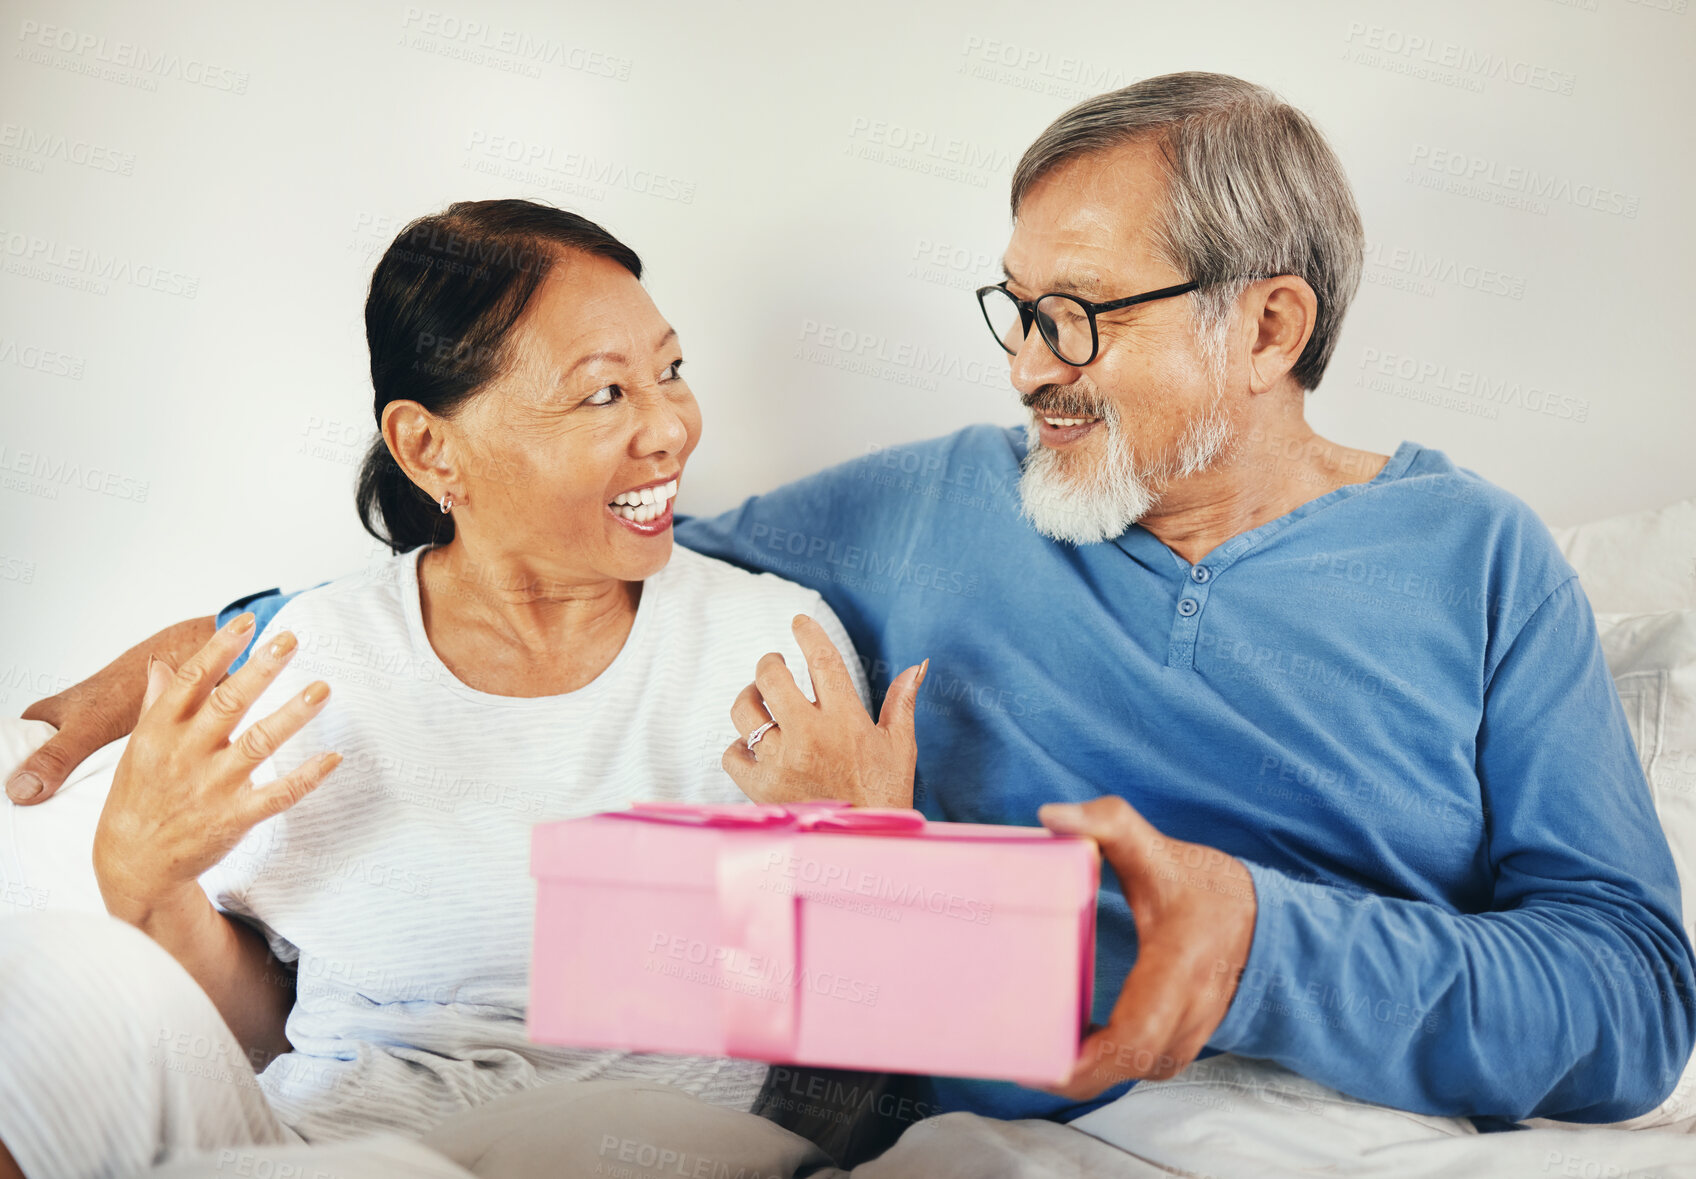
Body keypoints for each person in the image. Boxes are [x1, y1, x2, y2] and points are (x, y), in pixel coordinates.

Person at [11, 67, 1695, 1149]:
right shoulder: (927, 510)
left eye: (1082, 317)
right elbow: (552, 552)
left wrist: (1263, 938)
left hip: (1344, 1130)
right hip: (1011, 1128)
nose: (1029, 365)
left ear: (1266, 328)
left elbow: (1628, 994)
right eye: (1017, 309)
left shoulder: (1477, 556)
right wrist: (211, 651)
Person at [0, 198, 927, 1177]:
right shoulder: (312, 660)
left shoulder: (771, 651)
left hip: (634, 1153)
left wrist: (865, 864)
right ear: (429, 449)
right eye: (604, 394)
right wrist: (148, 884)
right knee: (45, 975)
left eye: (671, 372)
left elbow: (856, 1100)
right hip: (317, 1151)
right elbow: (266, 1035)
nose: (668, 428)